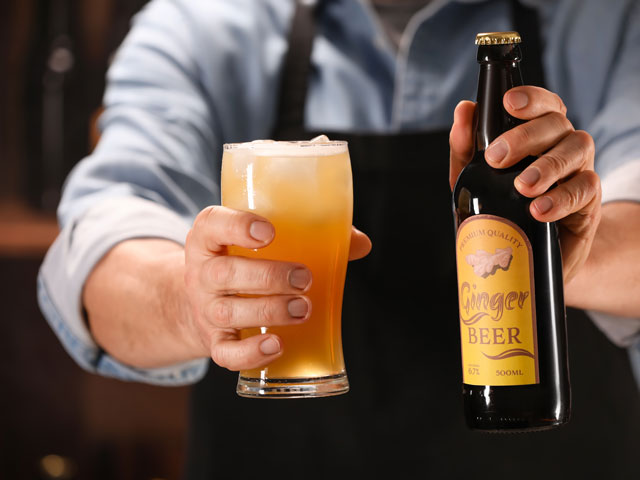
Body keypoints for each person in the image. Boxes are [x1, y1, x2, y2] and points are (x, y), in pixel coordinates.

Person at [38, 0, 640, 477]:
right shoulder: (204, 23)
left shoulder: (603, 16)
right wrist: (191, 301)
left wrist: (561, 254)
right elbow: (98, 242)